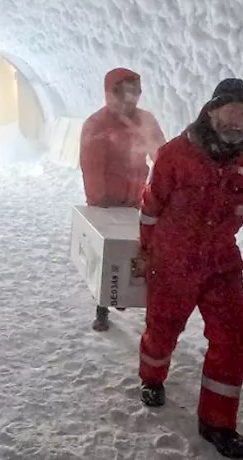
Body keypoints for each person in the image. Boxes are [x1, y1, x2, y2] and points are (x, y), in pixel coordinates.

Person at [134, 78, 243, 459]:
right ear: (211, 111)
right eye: (230, 111)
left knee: (236, 336)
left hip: (220, 262)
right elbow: (151, 206)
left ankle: (217, 424)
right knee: (163, 329)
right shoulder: (176, 154)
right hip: (173, 259)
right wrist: (146, 252)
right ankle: (152, 377)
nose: (237, 120)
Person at [78, 67, 166, 332]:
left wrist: (164, 188)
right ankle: (102, 306)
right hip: (107, 201)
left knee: (141, 249)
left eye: (134, 91)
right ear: (111, 93)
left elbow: (161, 155)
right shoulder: (97, 124)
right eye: (123, 92)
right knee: (107, 254)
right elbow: (91, 166)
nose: (130, 98)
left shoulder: (145, 121)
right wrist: (99, 202)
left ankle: (132, 297)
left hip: (137, 198)